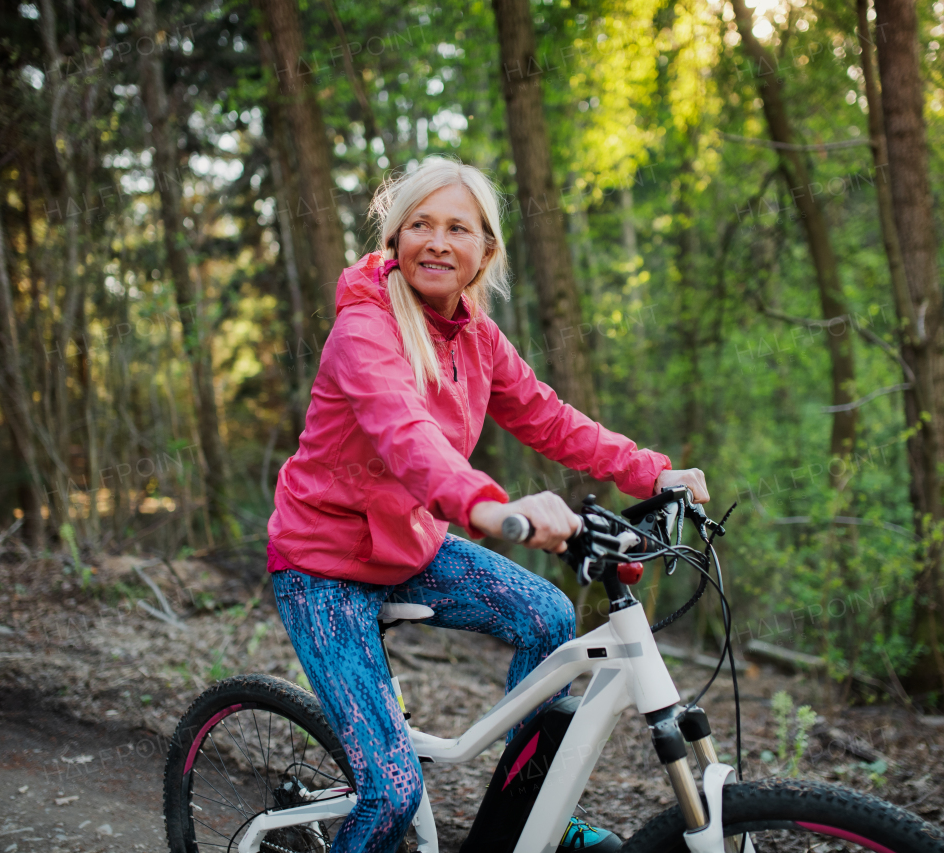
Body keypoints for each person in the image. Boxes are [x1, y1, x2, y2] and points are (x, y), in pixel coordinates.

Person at [267, 155, 709, 853]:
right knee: (391, 792)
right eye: (420, 224)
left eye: (457, 228)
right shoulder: (365, 328)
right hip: (323, 564)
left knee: (549, 619)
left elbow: (549, 418)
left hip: (408, 545)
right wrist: (490, 506)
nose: (437, 241)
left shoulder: (476, 335)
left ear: (484, 251)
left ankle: (525, 816)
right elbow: (407, 437)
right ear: (395, 239)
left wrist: (651, 472)